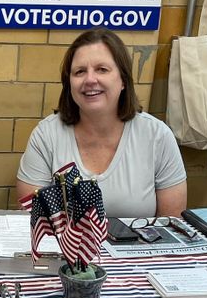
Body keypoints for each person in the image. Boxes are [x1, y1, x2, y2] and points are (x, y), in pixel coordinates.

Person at [17, 28, 186, 218]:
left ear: (123, 80)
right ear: (69, 83)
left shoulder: (158, 136)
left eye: (102, 69)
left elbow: (172, 225)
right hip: (63, 248)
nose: (90, 79)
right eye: (80, 71)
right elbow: (33, 220)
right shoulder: (46, 135)